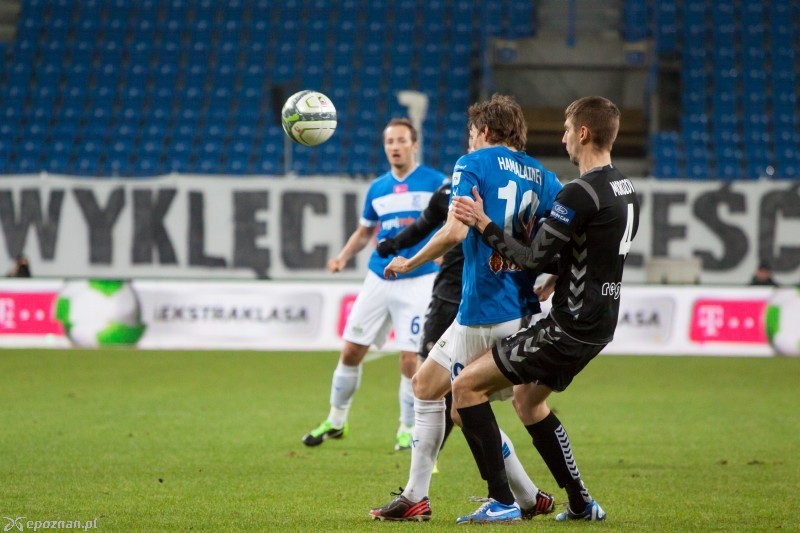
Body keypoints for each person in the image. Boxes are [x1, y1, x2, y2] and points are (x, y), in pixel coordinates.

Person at [369, 94, 563, 522]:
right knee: (426, 386)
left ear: (485, 131)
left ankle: (502, 499)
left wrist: (410, 261)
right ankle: (523, 496)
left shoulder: (472, 163)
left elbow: (454, 232)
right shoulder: (544, 176)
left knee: (463, 403)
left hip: (484, 306)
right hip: (519, 305)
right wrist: (553, 278)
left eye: (472, 132)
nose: (469, 140)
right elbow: (560, 239)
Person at [449, 96, 640, 524]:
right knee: (529, 402)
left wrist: (483, 222)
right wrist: (561, 275)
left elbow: (531, 257)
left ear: (584, 133)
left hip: (568, 327)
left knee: (465, 389)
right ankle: (581, 503)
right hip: (600, 324)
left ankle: (502, 501)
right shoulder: (624, 189)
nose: (563, 136)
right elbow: (594, 253)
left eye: (568, 129)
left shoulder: (579, 193)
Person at [302, 118, 446, 451]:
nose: (395, 147)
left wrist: (443, 254)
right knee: (351, 350)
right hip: (379, 278)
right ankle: (336, 421)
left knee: (410, 359)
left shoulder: (436, 183)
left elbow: (451, 225)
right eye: (389, 142)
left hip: (419, 278)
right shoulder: (378, 188)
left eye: (401, 140)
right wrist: (342, 257)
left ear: (414, 144)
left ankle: (407, 429)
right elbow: (365, 231)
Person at [375, 177, 462, 461]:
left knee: (439, 385)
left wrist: (410, 261)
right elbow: (423, 227)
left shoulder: (469, 188)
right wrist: (394, 244)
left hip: (462, 299)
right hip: (470, 300)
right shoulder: (448, 192)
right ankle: (427, 454)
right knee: (458, 389)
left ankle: (425, 455)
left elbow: (449, 235)